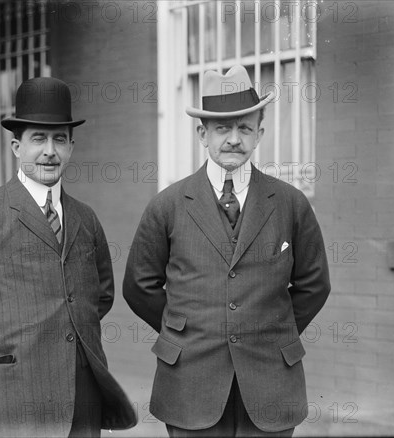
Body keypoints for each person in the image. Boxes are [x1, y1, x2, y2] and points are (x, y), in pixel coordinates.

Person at [123, 65, 331, 437]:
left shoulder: (290, 203)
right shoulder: (167, 205)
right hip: (189, 382)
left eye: (245, 128)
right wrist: (183, 331)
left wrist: (272, 330)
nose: (234, 139)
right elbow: (139, 286)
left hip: (271, 383)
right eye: (222, 128)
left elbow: (314, 285)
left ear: (259, 134)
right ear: (203, 134)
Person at [0, 77, 137, 437]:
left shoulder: (85, 218)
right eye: (38, 139)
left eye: (59, 139)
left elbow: (98, 296)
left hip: (79, 399)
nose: (49, 151)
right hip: (13, 397)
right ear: (16, 146)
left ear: (71, 146)